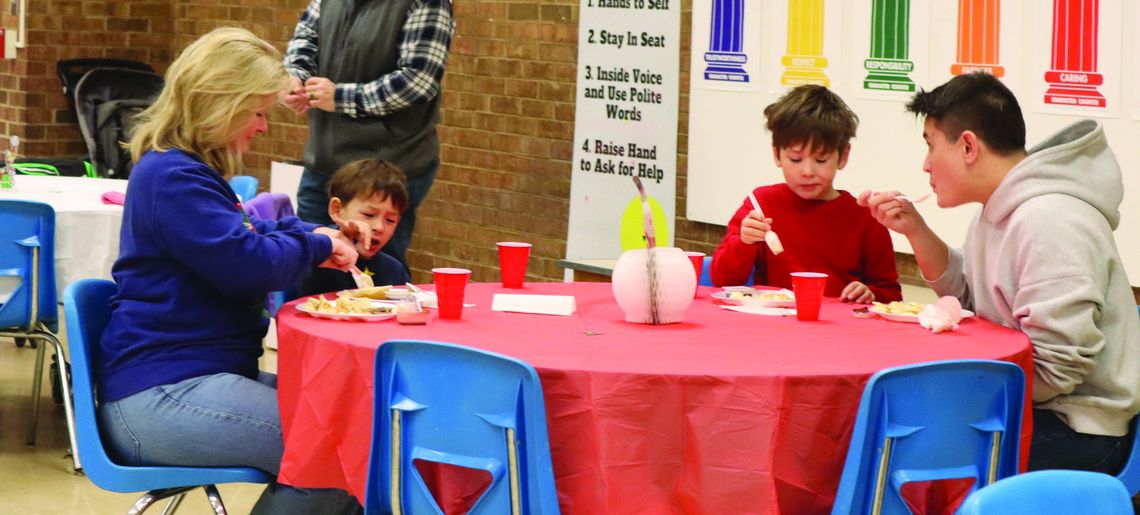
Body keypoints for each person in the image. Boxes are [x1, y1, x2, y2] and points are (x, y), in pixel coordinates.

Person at [97, 27, 364, 513]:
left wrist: (312, 238)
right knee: (335, 453)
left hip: (190, 379)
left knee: (355, 432)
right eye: (257, 111)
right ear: (220, 102)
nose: (262, 126)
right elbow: (248, 265)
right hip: (160, 393)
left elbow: (253, 235)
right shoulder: (172, 176)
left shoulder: (187, 172)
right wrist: (313, 242)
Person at [859, 72, 1140, 473]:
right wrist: (916, 230)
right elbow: (970, 298)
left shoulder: (1049, 220)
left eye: (931, 146)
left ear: (968, 146)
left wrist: (962, 391)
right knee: (894, 434)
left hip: (1080, 427)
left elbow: (1059, 369)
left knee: (909, 453)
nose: (925, 165)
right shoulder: (996, 209)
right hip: (1038, 405)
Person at [282, 0, 455, 274]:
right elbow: (305, 39)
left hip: (389, 166)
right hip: (325, 162)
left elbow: (417, 80)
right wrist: (295, 77)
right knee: (310, 263)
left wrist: (340, 97)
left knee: (377, 271)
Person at [710, 84, 902, 303]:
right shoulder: (761, 205)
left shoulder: (865, 216)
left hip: (841, 332)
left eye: (821, 160)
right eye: (795, 159)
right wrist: (743, 244)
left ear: (843, 156)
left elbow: (892, 295)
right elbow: (721, 280)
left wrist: (871, 293)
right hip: (774, 326)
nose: (807, 172)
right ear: (777, 155)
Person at [298, 158, 412, 297]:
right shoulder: (318, 256)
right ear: (337, 209)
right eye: (369, 215)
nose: (379, 227)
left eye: (390, 220)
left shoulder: (394, 270)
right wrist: (326, 249)